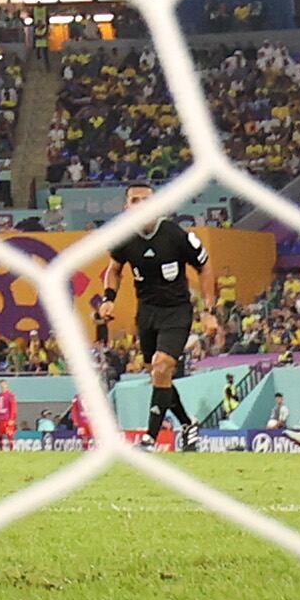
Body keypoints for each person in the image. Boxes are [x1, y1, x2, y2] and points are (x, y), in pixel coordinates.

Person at [105, 183, 212, 449]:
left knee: (162, 365)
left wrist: (208, 311)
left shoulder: (175, 235)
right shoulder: (123, 238)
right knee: (157, 374)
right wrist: (108, 299)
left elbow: (204, 266)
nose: (141, 205)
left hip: (176, 311)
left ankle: (149, 438)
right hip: (147, 313)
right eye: (135, 200)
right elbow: (114, 269)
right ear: (126, 207)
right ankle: (187, 423)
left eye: (147, 200)